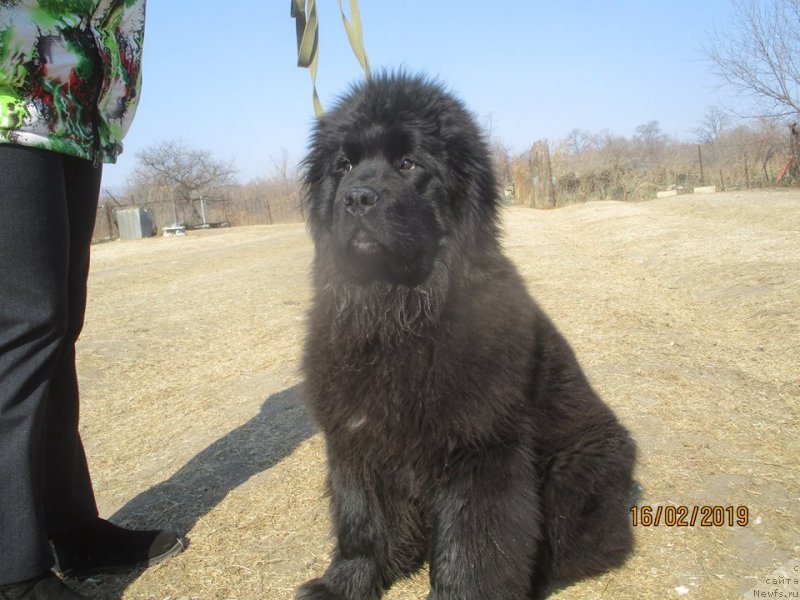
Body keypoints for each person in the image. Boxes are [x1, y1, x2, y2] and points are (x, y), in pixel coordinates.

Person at [0, 2, 183, 598]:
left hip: (71, 103)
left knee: (55, 330)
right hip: (11, 78)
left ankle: (70, 527)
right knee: (22, 326)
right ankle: (12, 570)